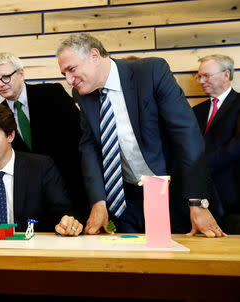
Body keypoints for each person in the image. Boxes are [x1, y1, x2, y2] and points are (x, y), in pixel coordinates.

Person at [56, 33, 225, 237]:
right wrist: (98, 202)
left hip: (178, 196)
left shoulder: (151, 72)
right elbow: (89, 148)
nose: (68, 80)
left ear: (94, 56)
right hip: (128, 201)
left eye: (71, 69)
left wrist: (197, 201)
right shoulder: (82, 95)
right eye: (64, 73)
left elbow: (187, 135)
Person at [0, 52, 88, 222]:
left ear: (21, 74)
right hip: (33, 206)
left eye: (5, 77)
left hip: (72, 193)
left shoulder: (52, 94)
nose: (0, 84)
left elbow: (83, 138)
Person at [0, 103, 83, 235]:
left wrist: (67, 223)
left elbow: (64, 213)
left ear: (10, 136)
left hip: (34, 252)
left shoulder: (41, 168)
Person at [193, 54, 240, 234]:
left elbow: (237, 145)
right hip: (201, 198)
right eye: (199, 76)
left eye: (207, 75)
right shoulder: (196, 111)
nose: (201, 81)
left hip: (232, 197)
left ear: (226, 75)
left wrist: (202, 166)